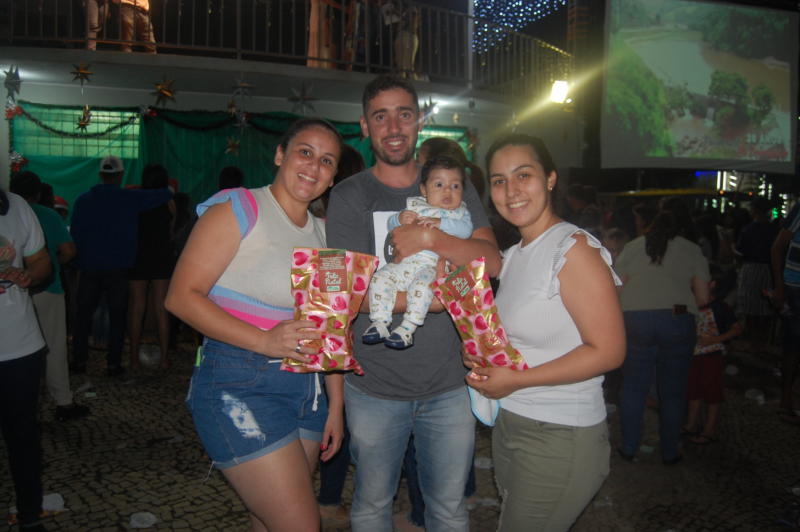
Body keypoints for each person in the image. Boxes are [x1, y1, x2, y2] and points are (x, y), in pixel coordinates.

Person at [325, 74, 500, 532]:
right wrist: (435, 301)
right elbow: (347, 292)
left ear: (419, 121)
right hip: (374, 386)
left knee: (449, 510)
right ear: (364, 126)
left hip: (450, 383)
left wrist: (428, 239)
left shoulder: (452, 185)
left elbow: (492, 261)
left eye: (404, 114)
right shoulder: (349, 195)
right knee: (371, 506)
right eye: (380, 116)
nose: (393, 127)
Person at [164, 117, 345, 532]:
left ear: (333, 176)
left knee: (268, 520)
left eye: (327, 161)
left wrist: (336, 405)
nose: (314, 167)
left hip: (309, 393)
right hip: (240, 384)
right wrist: (264, 341)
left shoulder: (326, 235)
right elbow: (181, 296)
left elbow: (331, 328)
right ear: (280, 155)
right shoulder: (239, 208)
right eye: (305, 152)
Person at [462, 133, 625, 531]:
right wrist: (484, 356)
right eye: (499, 181)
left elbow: (608, 351)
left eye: (524, 175)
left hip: (560, 433)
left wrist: (515, 380)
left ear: (550, 179)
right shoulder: (514, 255)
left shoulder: (572, 250)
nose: (511, 191)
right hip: (513, 423)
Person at [615, 204, 710, 465]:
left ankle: (629, 447)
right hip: (677, 319)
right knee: (673, 391)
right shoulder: (692, 249)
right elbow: (703, 297)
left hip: (635, 320)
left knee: (633, 387)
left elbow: (616, 289)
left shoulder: (633, 247)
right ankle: (670, 451)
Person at [70, 155, 172, 376]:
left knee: (83, 316)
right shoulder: (128, 198)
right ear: (120, 175)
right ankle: (113, 363)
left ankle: (79, 361)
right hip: (119, 267)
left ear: (100, 174)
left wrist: (78, 264)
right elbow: (163, 194)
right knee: (118, 316)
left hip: (89, 267)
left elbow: (75, 236)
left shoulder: (83, 200)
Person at [363, 155, 473, 349]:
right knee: (379, 279)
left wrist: (441, 223)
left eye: (455, 186)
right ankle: (380, 322)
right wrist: (398, 219)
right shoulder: (416, 206)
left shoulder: (459, 214)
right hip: (403, 264)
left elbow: (466, 231)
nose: (448, 190)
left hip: (430, 267)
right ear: (424, 189)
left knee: (422, 289)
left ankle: (407, 328)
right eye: (439, 185)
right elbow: (391, 227)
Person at [9, 172, 89, 422]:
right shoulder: (47, 215)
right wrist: (54, 263)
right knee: (54, 346)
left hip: (11, 293)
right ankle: (63, 401)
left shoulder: (9, 212)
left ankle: (18, 402)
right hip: (46, 288)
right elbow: (68, 250)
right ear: (39, 193)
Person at [0, 187, 52, 532]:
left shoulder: (16, 206)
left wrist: (29, 276)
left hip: (20, 346)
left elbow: (41, 260)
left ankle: (30, 514)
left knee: (22, 435)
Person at [683, 266, 741, 444]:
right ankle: (690, 424)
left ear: (711, 284)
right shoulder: (689, 304)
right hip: (693, 355)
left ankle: (709, 429)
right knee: (693, 391)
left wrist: (716, 339)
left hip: (712, 356)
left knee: (712, 392)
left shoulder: (721, 308)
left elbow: (737, 328)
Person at [128, 164, 176, 371]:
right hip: (161, 256)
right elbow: (171, 231)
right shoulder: (169, 202)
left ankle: (133, 359)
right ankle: (164, 359)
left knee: (137, 307)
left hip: (138, 256)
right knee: (161, 308)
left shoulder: (135, 201)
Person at [769, 200, 800, 425]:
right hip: (795, 286)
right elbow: (778, 247)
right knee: (793, 346)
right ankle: (786, 400)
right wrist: (779, 287)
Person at [735, 197, 777, 355]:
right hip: (770, 270)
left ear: (755, 210)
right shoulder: (774, 229)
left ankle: (754, 343)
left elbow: (740, 252)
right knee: (766, 307)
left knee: (751, 308)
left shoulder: (749, 229)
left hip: (751, 269)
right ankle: (763, 342)